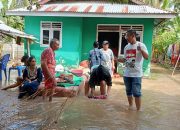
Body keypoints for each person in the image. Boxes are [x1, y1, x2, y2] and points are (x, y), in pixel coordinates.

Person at [118, 30, 148, 111]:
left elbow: (146, 57)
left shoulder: (141, 45)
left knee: (137, 93)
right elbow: (125, 59)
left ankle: (138, 111)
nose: (126, 38)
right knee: (128, 92)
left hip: (137, 74)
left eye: (127, 36)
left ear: (133, 36)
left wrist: (141, 50)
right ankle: (130, 106)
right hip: (127, 74)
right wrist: (117, 60)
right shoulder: (126, 47)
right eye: (125, 36)